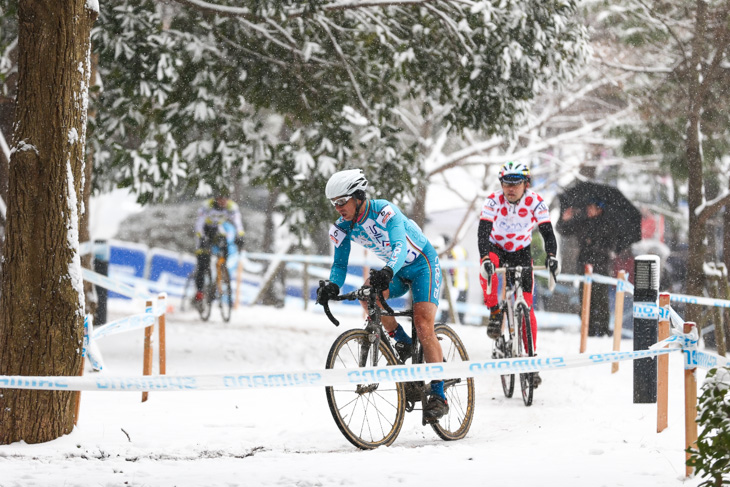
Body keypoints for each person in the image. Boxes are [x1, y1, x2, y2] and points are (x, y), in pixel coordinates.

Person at [315, 169, 448, 422]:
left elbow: (399, 245)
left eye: (342, 202)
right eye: (334, 204)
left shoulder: (385, 211)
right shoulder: (342, 227)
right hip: (394, 268)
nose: (338, 208)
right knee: (366, 294)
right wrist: (333, 285)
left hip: (421, 264)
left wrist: (387, 270)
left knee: (423, 325)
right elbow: (340, 265)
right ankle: (402, 341)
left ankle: (439, 394)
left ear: (358, 196)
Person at [478, 162, 560, 388]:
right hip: (496, 248)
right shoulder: (493, 201)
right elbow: (483, 232)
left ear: (526, 184)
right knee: (488, 269)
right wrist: (485, 257)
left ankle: (531, 363)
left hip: (521, 252)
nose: (510, 189)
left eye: (516, 184)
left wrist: (551, 256)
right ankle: (495, 312)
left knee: (528, 307)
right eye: (506, 183)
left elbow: (547, 232)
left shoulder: (536, 202)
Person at [557, 198, 613, 336]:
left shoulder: (608, 225)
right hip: (584, 265)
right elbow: (563, 230)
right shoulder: (582, 222)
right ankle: (587, 327)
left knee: (600, 299)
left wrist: (593, 244)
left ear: (599, 209)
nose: (588, 210)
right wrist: (564, 219)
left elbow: (610, 245)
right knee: (584, 298)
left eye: (592, 207)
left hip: (601, 267)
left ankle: (603, 328)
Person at [193, 187, 245, 303]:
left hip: (216, 229)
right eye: (220, 199)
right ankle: (199, 291)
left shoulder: (232, 207)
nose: (223, 202)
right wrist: (201, 238)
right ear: (216, 199)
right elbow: (199, 225)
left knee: (224, 248)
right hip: (204, 230)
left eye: (225, 200)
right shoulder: (207, 206)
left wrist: (240, 235)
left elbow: (238, 224)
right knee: (203, 262)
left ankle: (219, 275)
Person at [438, 235, 469, 324]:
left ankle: (443, 322)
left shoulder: (449, 251)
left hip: (453, 281)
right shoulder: (462, 250)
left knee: (446, 306)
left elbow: (450, 269)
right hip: (464, 282)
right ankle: (459, 322)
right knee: (459, 310)